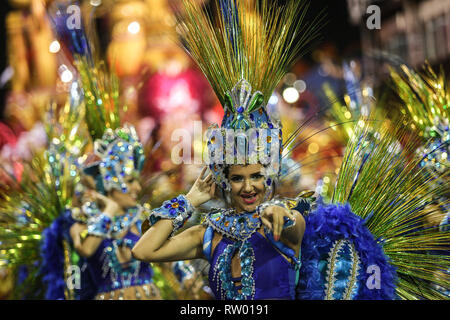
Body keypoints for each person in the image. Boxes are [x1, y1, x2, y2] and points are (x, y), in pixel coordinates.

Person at [132, 0, 323, 300]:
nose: (248, 187)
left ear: (269, 176)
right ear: (224, 180)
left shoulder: (284, 219)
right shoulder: (208, 234)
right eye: (237, 178)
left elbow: (293, 226)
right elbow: (143, 250)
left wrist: (280, 214)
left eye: (256, 176)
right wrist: (190, 200)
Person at [69, 125, 160, 300]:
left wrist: (184, 274)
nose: (137, 188)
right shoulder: (83, 222)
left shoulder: (143, 220)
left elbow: (169, 252)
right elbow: (87, 250)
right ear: (110, 181)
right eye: (130, 180)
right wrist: (109, 209)